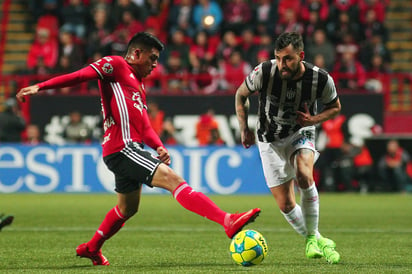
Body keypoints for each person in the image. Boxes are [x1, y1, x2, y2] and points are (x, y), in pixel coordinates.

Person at [17, 32, 260, 266]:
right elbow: (81, 75)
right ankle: (226, 220)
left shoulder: (138, 86)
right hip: (122, 147)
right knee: (174, 180)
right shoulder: (115, 64)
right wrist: (40, 86)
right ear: (136, 53)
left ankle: (92, 247)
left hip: (126, 149)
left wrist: (159, 146)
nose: (155, 65)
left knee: (128, 208)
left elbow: (144, 125)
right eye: (152, 58)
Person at [234, 32, 341, 264]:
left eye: (288, 59)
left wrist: (314, 119)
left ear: (301, 56)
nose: (282, 64)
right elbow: (241, 94)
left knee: (304, 173)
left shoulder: (320, 79)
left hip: (299, 133)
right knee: (285, 204)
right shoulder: (264, 72)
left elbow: (335, 106)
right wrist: (244, 128)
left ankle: (312, 238)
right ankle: (316, 238)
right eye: (279, 58)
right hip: (268, 138)